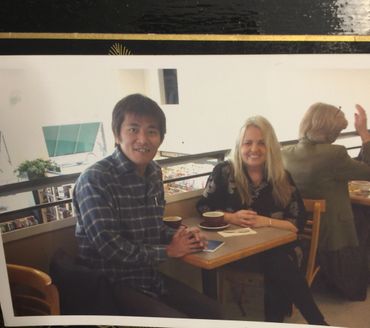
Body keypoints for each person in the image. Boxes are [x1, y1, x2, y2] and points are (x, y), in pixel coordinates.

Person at [73, 93, 223, 319]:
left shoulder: (153, 172)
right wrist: (170, 250)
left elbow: (151, 228)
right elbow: (110, 247)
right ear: (116, 135)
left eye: (151, 131)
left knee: (214, 312)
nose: (143, 139)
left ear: (161, 138)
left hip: (147, 278)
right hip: (110, 286)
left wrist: (183, 236)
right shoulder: (95, 179)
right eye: (133, 129)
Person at [196, 115, 327, 325]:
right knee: (275, 266)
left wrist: (265, 221)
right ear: (239, 146)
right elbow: (203, 207)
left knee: (277, 262)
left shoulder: (281, 176)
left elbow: (296, 224)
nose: (253, 149)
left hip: (280, 249)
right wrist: (231, 217)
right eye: (248, 143)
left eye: (261, 143)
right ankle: (315, 322)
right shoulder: (224, 171)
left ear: (270, 148)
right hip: (237, 249)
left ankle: (309, 321)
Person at [282, 102, 370, 301]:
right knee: (364, 216)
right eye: (337, 131)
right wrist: (364, 134)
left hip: (303, 229)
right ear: (329, 131)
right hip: (333, 233)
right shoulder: (334, 154)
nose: (337, 136)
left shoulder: (286, 153)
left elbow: (350, 168)